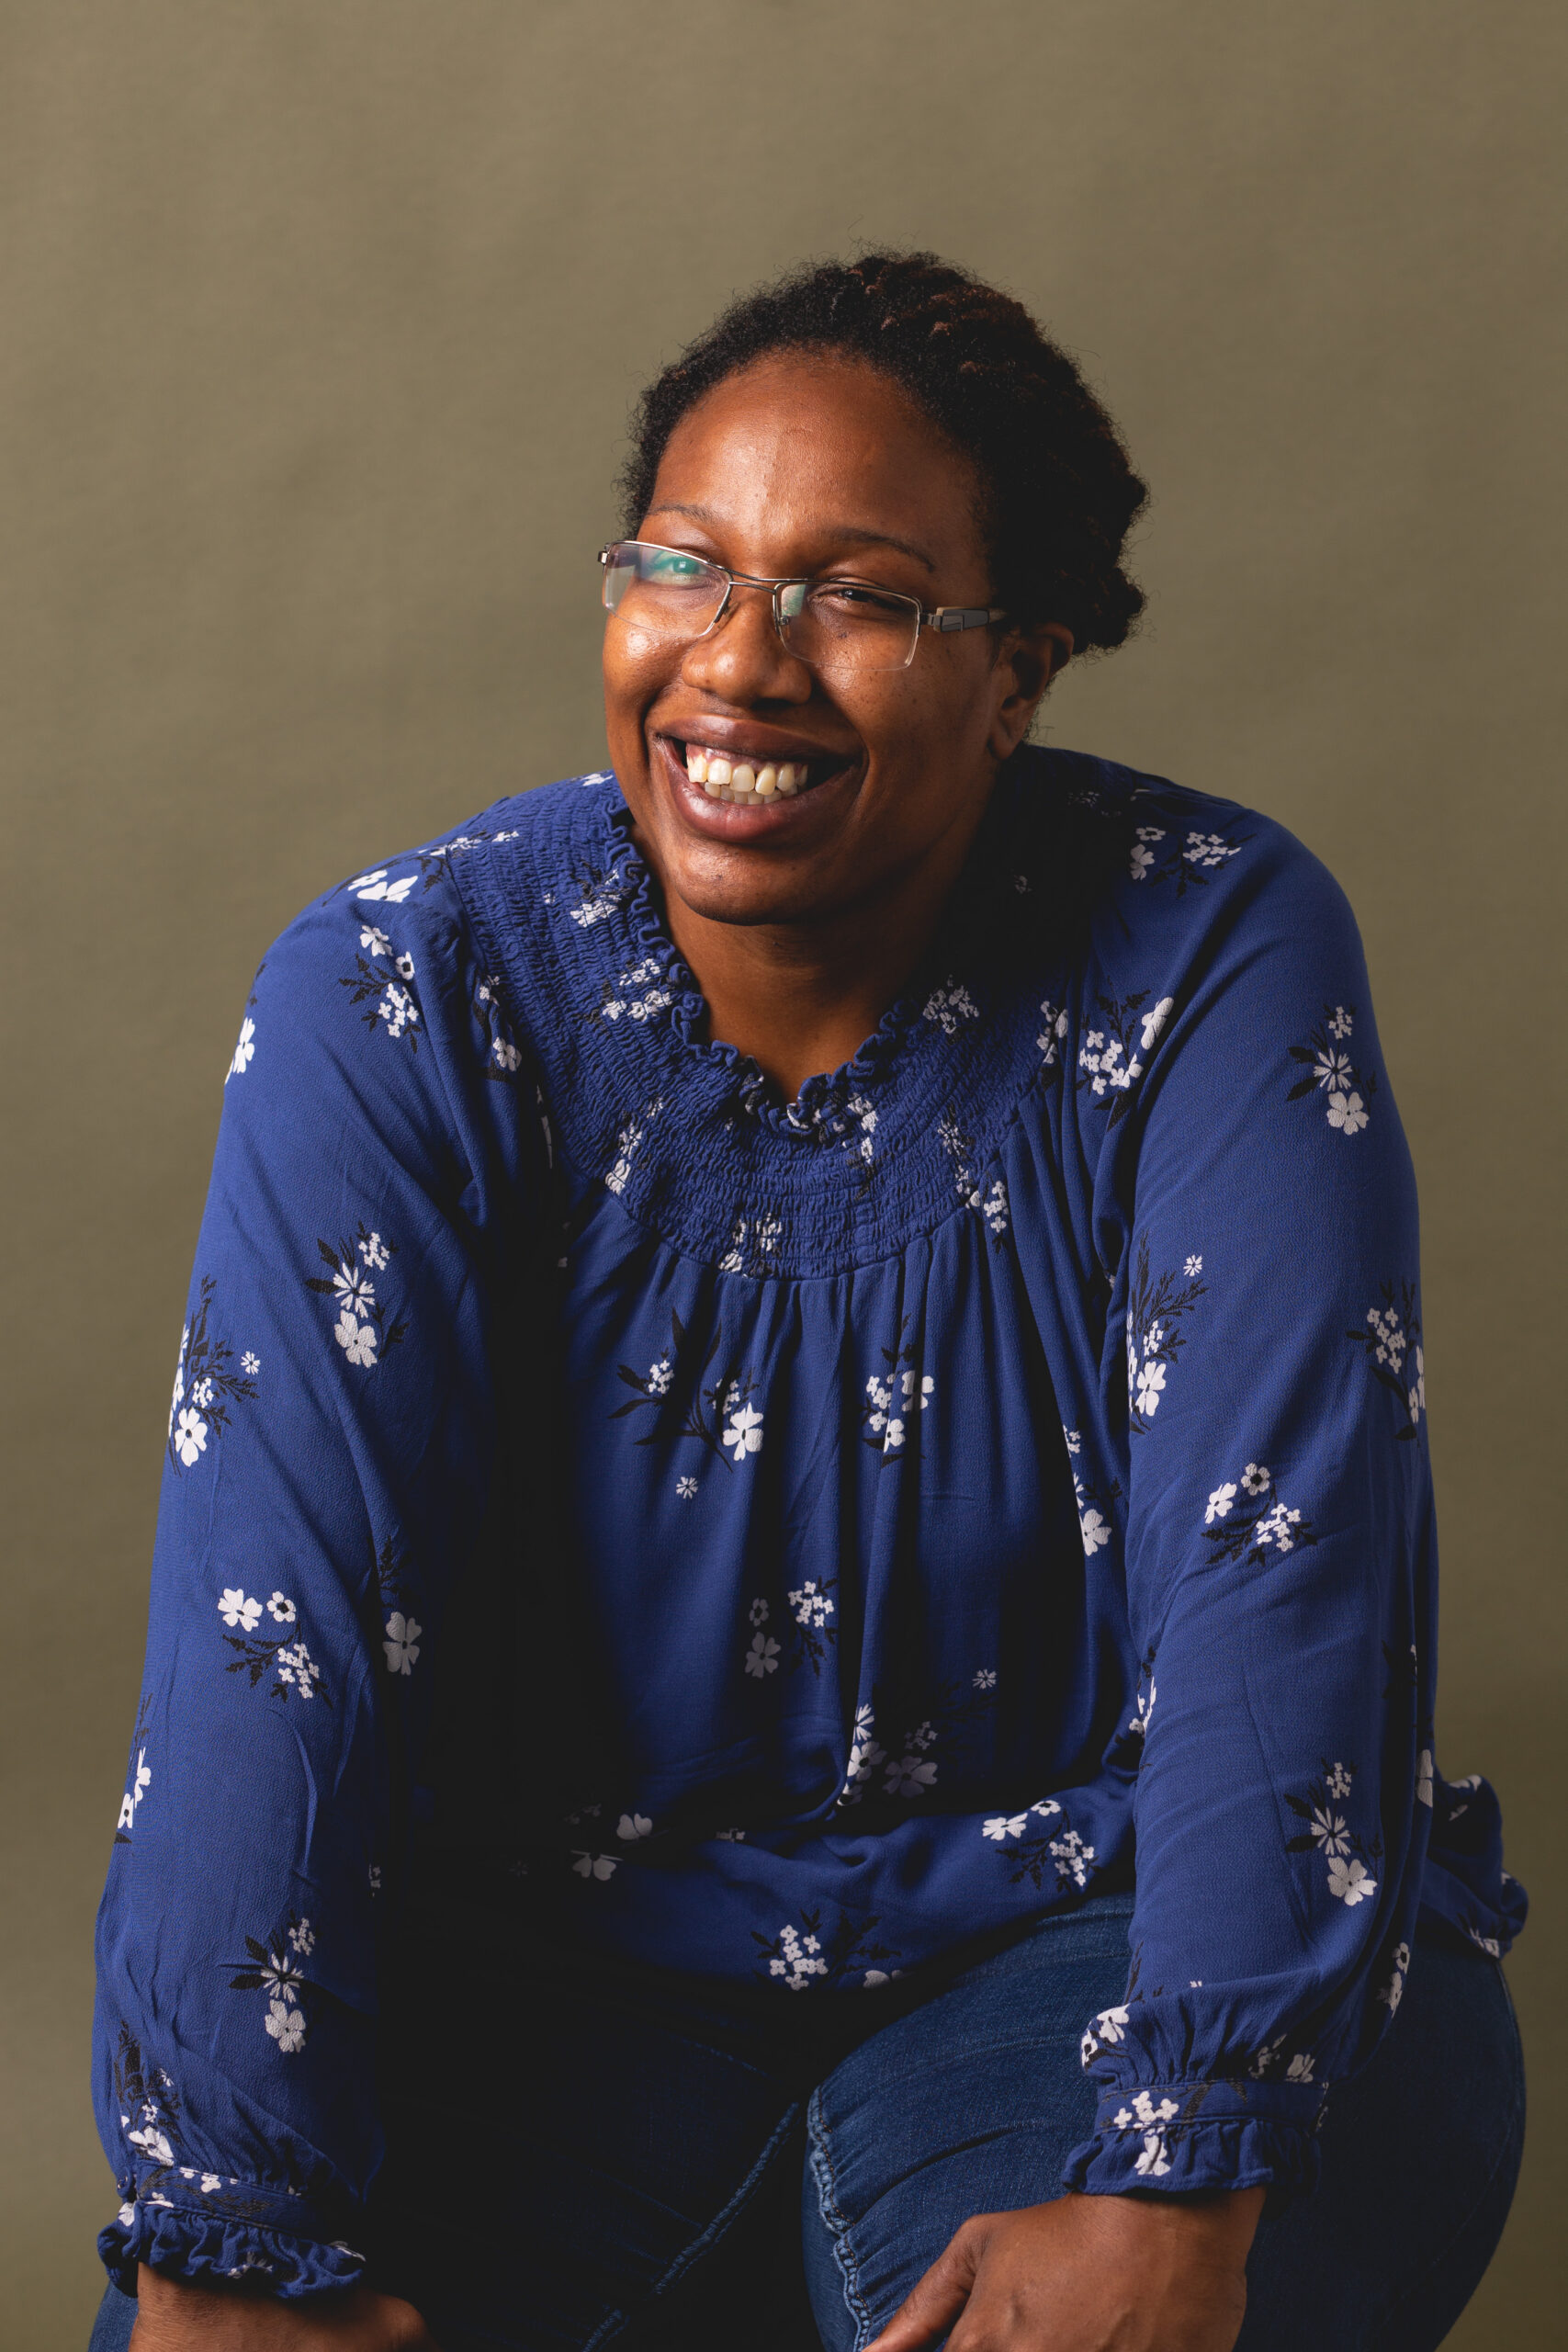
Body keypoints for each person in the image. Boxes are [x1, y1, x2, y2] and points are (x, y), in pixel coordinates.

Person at [89, 254, 1525, 2352]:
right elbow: (268, 1634)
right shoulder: (399, 991)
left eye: (858, 595)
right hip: (545, 1969)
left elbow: (1279, 1577)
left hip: (1105, 1922)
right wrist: (226, 2229)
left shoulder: (1209, 951)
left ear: (1017, 673)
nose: (738, 662)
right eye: (680, 562)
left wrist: (1183, 2170)